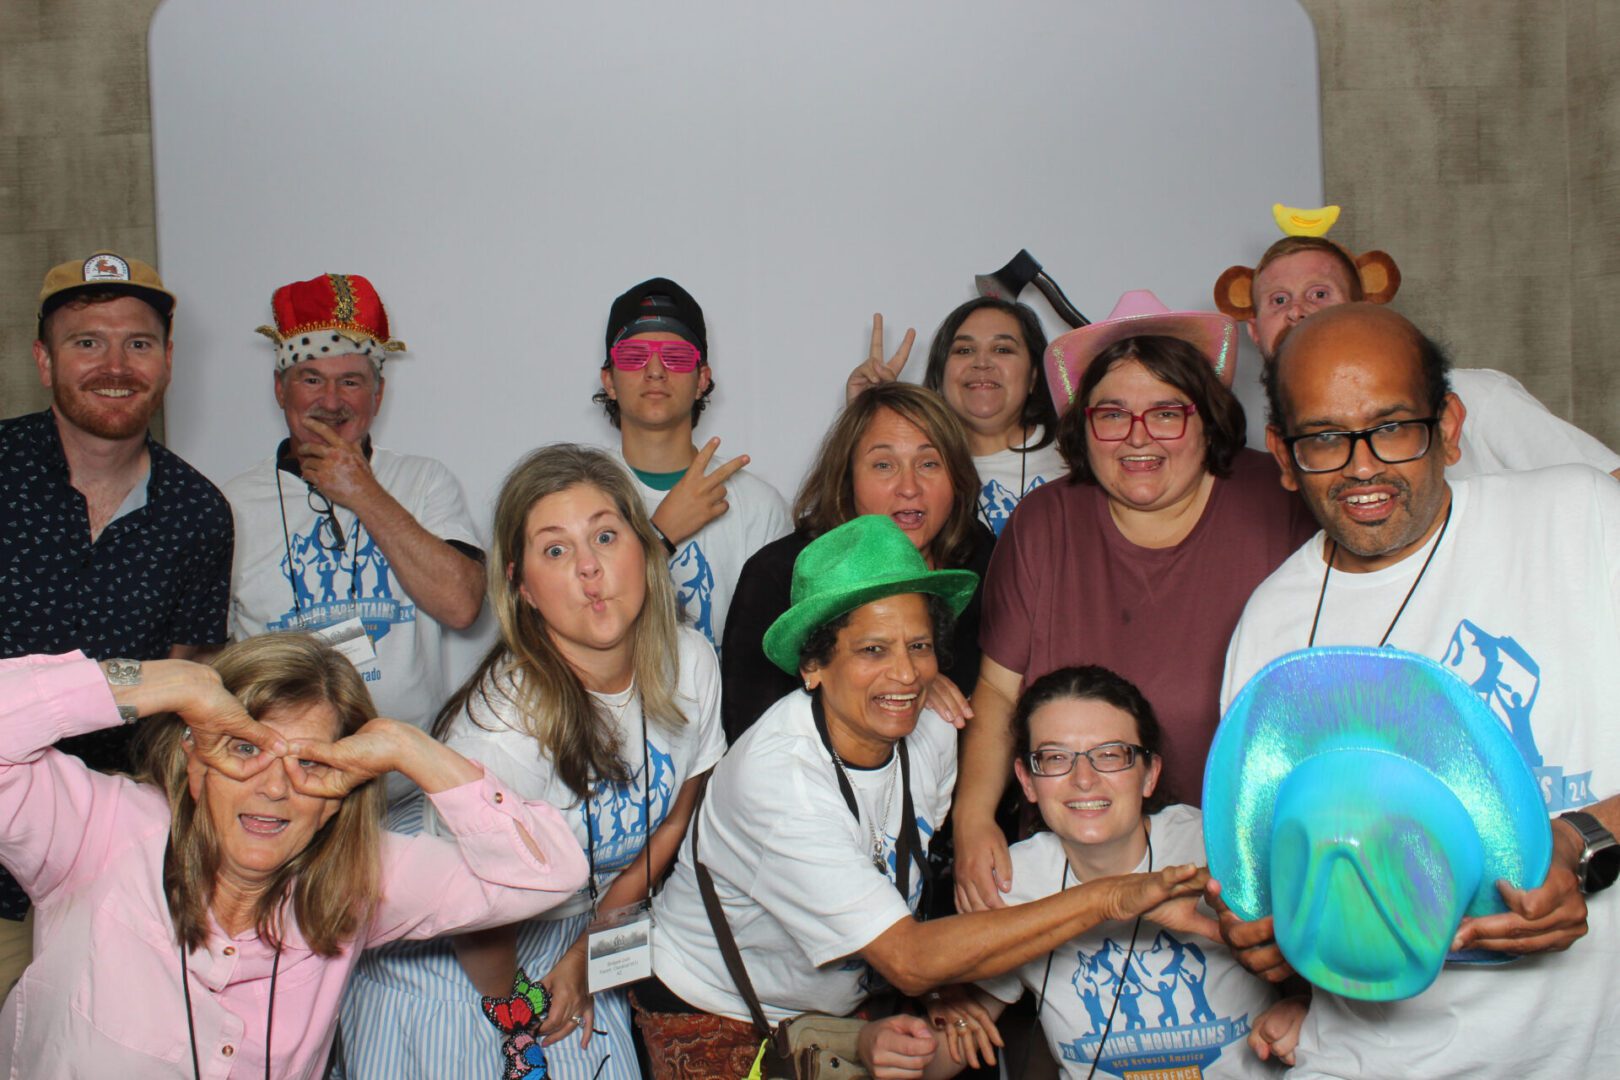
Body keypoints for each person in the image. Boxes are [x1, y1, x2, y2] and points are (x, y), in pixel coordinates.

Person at [635, 516, 1214, 1079]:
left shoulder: (930, 727)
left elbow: (899, 875)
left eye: (918, 646)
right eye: (872, 651)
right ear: (813, 665)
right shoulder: (779, 784)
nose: (907, 674)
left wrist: (947, 983)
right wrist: (1110, 898)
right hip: (719, 1006)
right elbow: (908, 956)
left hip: (846, 1003)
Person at [1218, 301, 1620, 1078]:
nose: (1362, 465)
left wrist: (1587, 840)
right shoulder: (1270, 625)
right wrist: (1267, 936)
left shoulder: (1581, 519)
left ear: (1451, 424)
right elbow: (1277, 882)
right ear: (1281, 451)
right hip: (1372, 1057)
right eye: (1325, 438)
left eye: (1393, 426)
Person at [0, 635, 587, 1077]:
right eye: (244, 749)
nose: (275, 787)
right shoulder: (95, 829)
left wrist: (407, 748)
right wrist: (173, 683)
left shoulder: (357, 877)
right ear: (195, 759)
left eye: (310, 763)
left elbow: (547, 876)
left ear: (339, 795)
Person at [337, 445, 725, 1079]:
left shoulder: (690, 662)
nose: (590, 569)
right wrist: (518, 1011)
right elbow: (474, 920)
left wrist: (587, 948)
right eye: (556, 550)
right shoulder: (499, 729)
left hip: (576, 934)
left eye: (605, 535)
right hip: (460, 963)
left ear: (646, 551)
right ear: (521, 587)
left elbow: (678, 814)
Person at [953, 291, 1315, 913]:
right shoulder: (1044, 521)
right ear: (1083, 427)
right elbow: (995, 691)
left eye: (1167, 412)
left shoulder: (1280, 501)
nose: (1138, 438)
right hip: (1077, 866)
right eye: (1112, 414)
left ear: (1208, 418)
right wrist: (972, 818)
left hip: (1258, 860)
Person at [0, 250, 233, 995]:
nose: (115, 364)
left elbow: (181, 694)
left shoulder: (198, 514)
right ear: (43, 359)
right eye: (86, 341)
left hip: (101, 876)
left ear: (166, 361)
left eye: (138, 343)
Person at [925, 666, 1298, 1078]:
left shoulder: (1222, 846)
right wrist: (935, 1016)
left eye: (1109, 755)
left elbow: (1333, 972)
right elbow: (941, 1048)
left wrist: (1305, 1010)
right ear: (1027, 782)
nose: (1083, 780)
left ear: (1149, 774)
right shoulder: (1015, 881)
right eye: (1055, 758)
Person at [225, 273, 484, 776]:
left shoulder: (423, 481)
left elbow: (461, 605)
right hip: (286, 786)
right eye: (311, 379)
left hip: (408, 785)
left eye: (351, 381)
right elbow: (212, 659)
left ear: (378, 394)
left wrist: (363, 492)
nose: (331, 400)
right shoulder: (230, 504)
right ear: (280, 389)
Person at [1215, 232, 1620, 479]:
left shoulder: (1477, 395)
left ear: (1367, 309)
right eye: (1278, 300)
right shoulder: (1289, 441)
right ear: (1255, 331)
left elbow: (1609, 483)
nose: (1297, 310)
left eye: (1319, 294)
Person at [721, 381, 996, 742]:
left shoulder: (982, 559)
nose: (909, 487)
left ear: (957, 478)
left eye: (929, 463)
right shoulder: (777, 574)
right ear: (846, 477)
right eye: (884, 465)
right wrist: (902, 687)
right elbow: (752, 735)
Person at [594, 277, 790, 650]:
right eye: (634, 357)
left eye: (677, 357)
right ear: (609, 380)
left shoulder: (758, 507)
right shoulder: (575, 497)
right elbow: (568, 622)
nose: (655, 371)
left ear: (702, 379)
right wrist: (660, 535)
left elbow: (776, 653)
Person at [847, 300, 1067, 536]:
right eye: (964, 350)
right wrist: (867, 418)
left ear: (1034, 375)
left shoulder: (1076, 453)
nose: (981, 363)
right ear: (940, 375)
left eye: (1002, 349)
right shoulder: (918, 474)